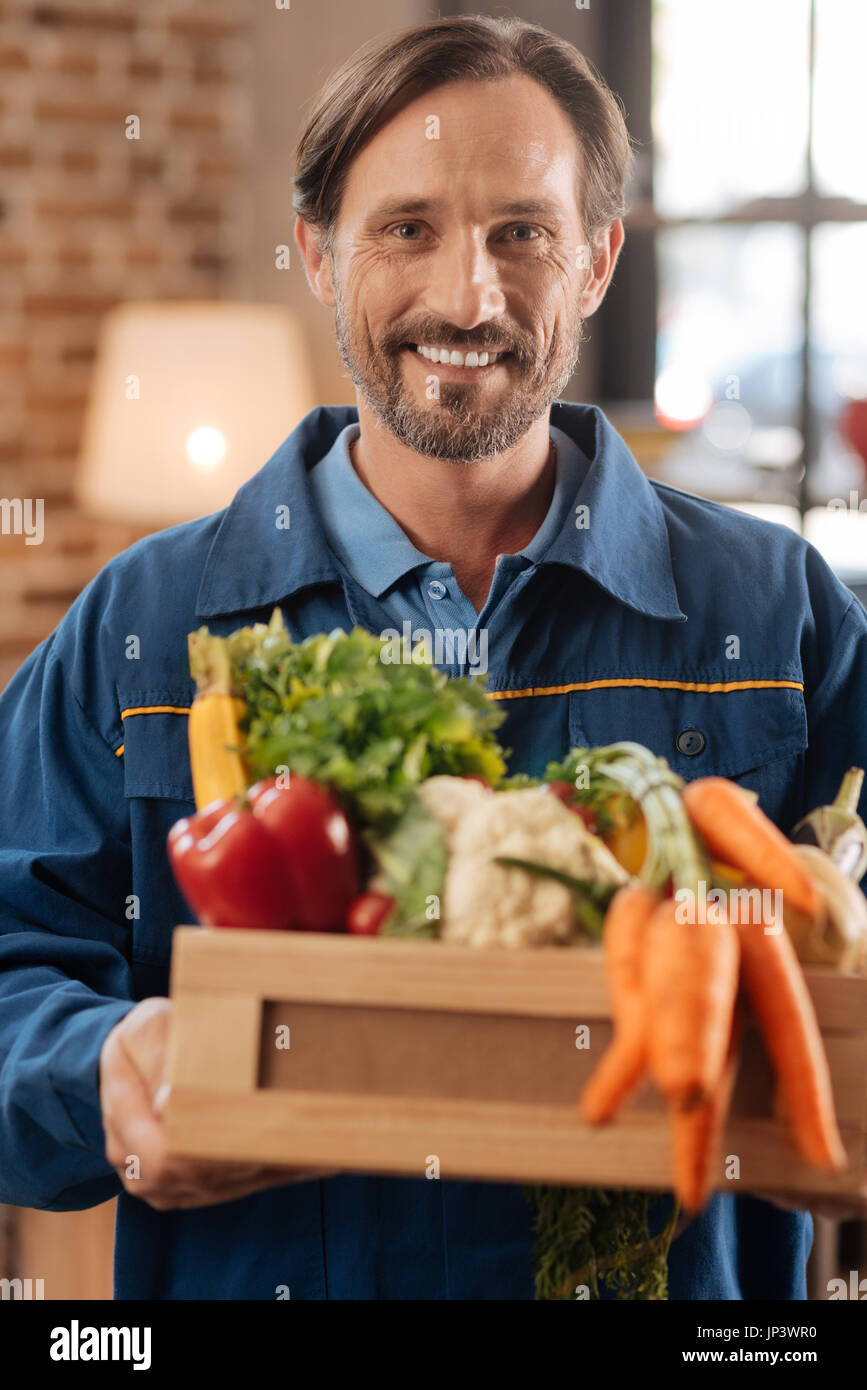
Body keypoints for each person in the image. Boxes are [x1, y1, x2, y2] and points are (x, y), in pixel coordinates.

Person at [1, 14, 865, 1301]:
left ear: (596, 262)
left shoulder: (775, 605)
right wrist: (98, 1068)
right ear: (315, 251)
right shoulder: (147, 620)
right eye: (407, 228)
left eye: (523, 231)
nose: (469, 297)